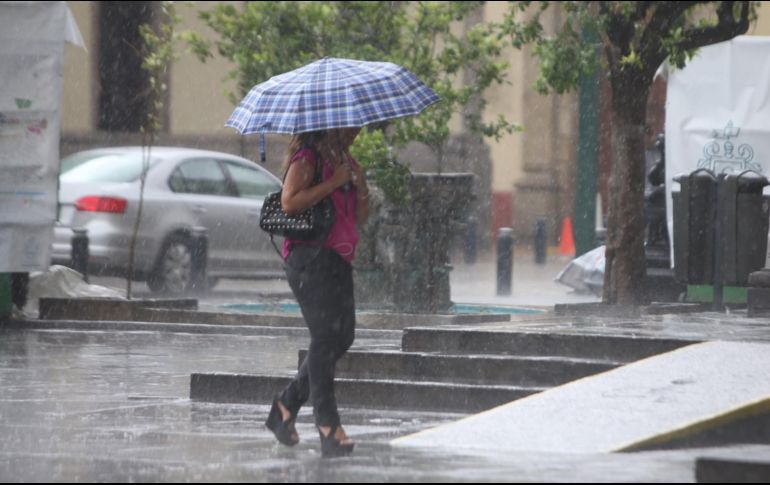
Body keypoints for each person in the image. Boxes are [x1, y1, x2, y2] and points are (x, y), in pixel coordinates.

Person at [264, 127, 369, 458]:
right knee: (325, 337)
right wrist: (334, 182)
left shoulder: (344, 160)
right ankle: (328, 425)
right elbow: (289, 201)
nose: (356, 130)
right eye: (350, 125)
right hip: (309, 260)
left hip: (338, 258)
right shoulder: (307, 158)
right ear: (332, 125)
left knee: (344, 336)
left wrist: (360, 185)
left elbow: (360, 216)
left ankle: (286, 405)